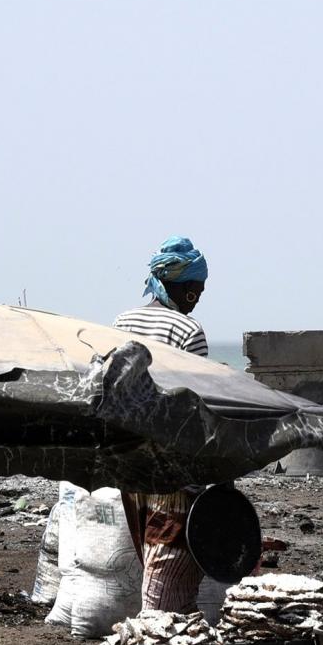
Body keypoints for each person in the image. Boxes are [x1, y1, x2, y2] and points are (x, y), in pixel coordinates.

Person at [113, 236, 209, 611]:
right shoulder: (188, 331)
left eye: (199, 290)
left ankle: (161, 630)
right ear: (174, 284)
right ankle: (159, 636)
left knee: (148, 551)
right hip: (169, 463)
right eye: (192, 290)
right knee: (166, 559)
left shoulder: (121, 322)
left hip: (128, 459)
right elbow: (197, 402)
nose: (197, 298)